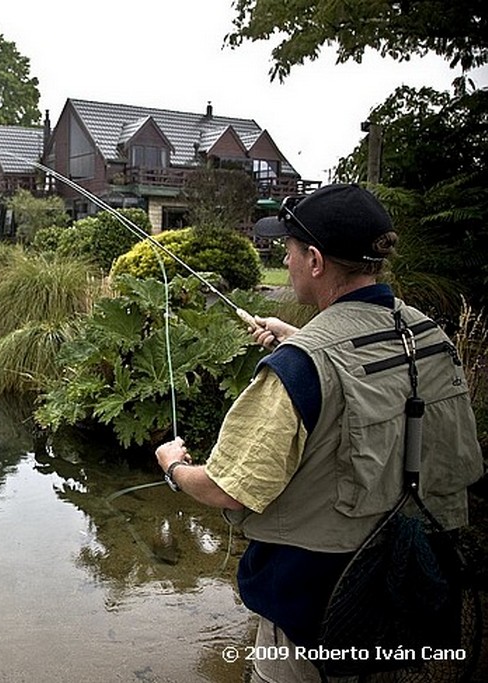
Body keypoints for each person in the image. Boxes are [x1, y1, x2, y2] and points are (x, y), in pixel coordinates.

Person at [154, 183, 483, 682]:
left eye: (286, 250)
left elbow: (228, 490)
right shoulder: (428, 334)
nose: (283, 261)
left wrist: (175, 467)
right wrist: (302, 339)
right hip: (401, 598)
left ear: (313, 260)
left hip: (316, 620)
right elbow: (376, 375)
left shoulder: (298, 369)